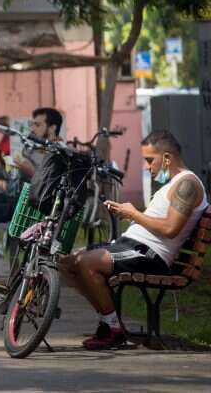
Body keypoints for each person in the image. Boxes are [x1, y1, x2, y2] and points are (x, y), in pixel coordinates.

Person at [60, 130, 208, 350]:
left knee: (86, 263)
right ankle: (108, 319)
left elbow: (170, 228)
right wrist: (129, 213)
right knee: (66, 263)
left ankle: (113, 328)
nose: (148, 167)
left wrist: (134, 214)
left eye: (150, 160)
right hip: (131, 246)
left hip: (149, 254)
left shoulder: (188, 185)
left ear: (167, 157)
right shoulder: (173, 184)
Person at [0, 107, 62, 285]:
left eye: (37, 125)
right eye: (32, 124)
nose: (32, 129)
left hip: (30, 204)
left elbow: (51, 186)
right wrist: (15, 167)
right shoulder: (36, 146)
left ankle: (9, 272)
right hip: (15, 195)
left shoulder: (58, 151)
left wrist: (28, 170)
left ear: (52, 128)